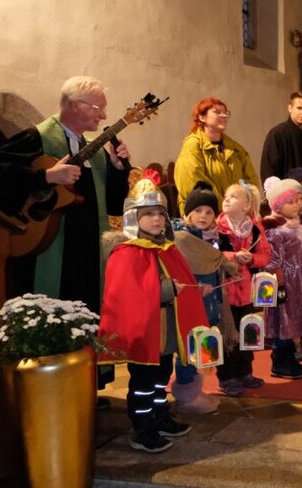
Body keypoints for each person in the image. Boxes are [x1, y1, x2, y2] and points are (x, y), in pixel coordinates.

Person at [0, 76, 130, 313]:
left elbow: (113, 205)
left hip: (89, 255)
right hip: (49, 249)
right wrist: (46, 177)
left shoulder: (96, 152)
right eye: (97, 107)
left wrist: (118, 170)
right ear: (74, 104)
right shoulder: (36, 139)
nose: (103, 116)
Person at [99, 184, 206, 453]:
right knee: (143, 381)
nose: (156, 219)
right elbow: (130, 294)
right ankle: (142, 427)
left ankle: (160, 417)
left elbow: (178, 280)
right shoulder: (126, 252)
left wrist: (193, 288)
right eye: (148, 214)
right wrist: (168, 289)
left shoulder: (167, 248)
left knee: (162, 375)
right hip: (145, 332)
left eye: (160, 213)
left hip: (166, 331)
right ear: (134, 219)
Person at [170, 183, 238, 414]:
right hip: (190, 302)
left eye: (209, 212)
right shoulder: (181, 238)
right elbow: (176, 271)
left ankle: (196, 391)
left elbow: (213, 262)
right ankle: (186, 396)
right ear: (188, 213)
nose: (203, 216)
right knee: (187, 348)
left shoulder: (212, 238)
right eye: (198, 210)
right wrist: (196, 286)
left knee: (200, 346)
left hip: (209, 302)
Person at [262, 177, 302, 381]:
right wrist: (279, 283)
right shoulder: (276, 230)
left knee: (297, 319)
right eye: (291, 202)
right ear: (278, 206)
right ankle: (280, 362)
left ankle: (291, 359)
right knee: (285, 321)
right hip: (286, 282)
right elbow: (273, 260)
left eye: (299, 200)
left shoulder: (300, 225)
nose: (297, 205)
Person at [214, 182, 270, 397]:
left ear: (247, 206)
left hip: (246, 290)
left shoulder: (255, 228)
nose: (226, 199)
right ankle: (227, 377)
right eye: (226, 196)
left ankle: (245, 372)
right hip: (225, 291)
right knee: (228, 334)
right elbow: (212, 253)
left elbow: (265, 255)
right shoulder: (217, 228)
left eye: (233, 197)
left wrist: (252, 258)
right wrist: (232, 257)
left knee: (247, 330)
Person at [173, 97, 260, 216]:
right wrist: (224, 207)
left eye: (225, 113)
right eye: (217, 112)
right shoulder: (192, 145)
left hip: (236, 216)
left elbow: (251, 181)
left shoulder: (236, 149)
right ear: (202, 117)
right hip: (204, 217)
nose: (223, 116)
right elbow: (193, 183)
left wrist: (245, 206)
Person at [260, 91, 302, 183]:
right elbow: (269, 171)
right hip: (283, 194)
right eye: (299, 108)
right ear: (290, 108)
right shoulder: (277, 134)